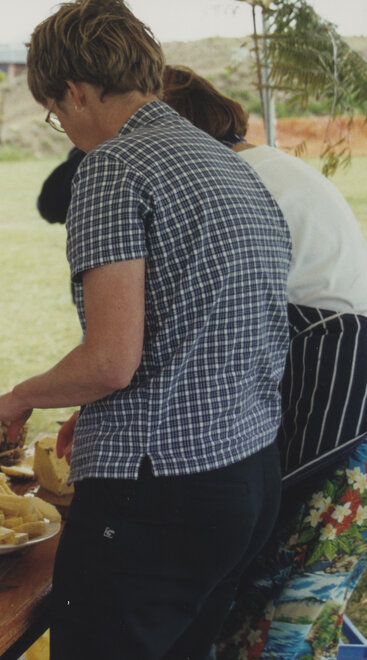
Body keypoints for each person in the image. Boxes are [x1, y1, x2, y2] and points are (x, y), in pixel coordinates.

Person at [0, 2, 291, 658]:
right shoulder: (230, 164)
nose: (61, 126)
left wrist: (20, 396)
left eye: (54, 110)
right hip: (247, 477)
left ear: (75, 90)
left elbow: (110, 361)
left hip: (158, 496)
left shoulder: (113, 167)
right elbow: (198, 332)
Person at [159, 64, 367, 659]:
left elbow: (201, 330)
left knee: (286, 621)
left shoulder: (236, 182)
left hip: (340, 415)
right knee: (282, 611)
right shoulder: (267, 165)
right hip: (333, 397)